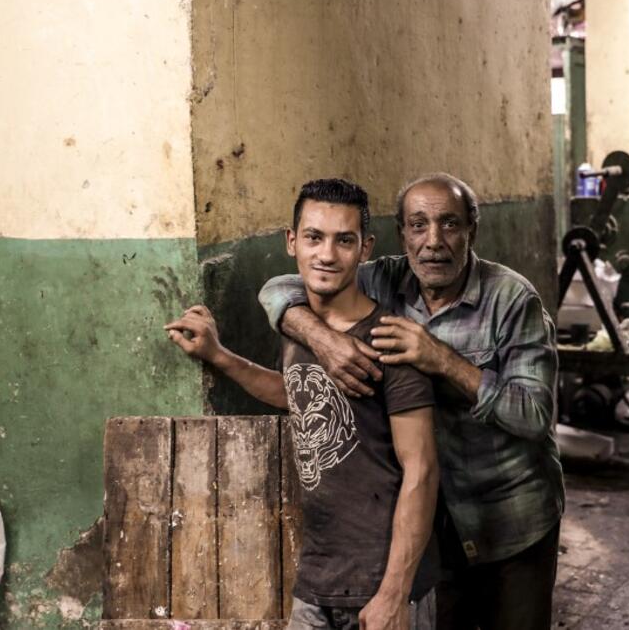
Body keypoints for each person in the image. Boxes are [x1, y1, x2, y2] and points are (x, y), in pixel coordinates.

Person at [259, 173, 564, 630]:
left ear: (472, 231)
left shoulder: (511, 299)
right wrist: (322, 339)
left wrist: (441, 359)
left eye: (450, 225)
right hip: (432, 528)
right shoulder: (383, 278)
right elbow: (280, 288)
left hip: (508, 519)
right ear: (401, 235)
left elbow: (534, 415)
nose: (433, 241)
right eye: (418, 225)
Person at [165, 179, 440, 630]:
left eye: (344, 240)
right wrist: (218, 356)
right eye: (314, 237)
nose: (327, 255)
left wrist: (395, 592)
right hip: (318, 579)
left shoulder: (390, 341)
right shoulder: (300, 329)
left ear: (365, 248)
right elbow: (296, 391)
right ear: (292, 242)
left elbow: (423, 469)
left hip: (383, 584)